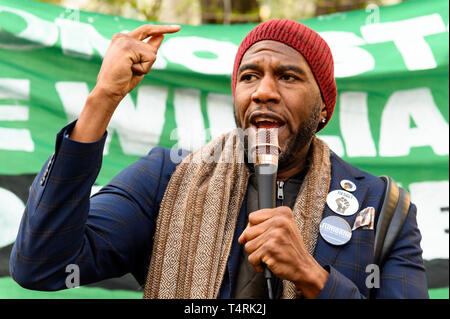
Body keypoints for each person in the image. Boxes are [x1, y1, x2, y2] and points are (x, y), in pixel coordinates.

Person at [9, 19, 428, 299]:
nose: (263, 91)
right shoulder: (168, 178)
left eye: (287, 76)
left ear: (324, 108)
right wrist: (101, 102)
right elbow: (41, 265)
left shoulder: (383, 207)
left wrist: (313, 278)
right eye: (249, 76)